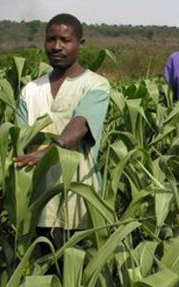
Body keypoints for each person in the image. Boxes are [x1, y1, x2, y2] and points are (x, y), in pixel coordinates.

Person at [13, 14, 110, 246]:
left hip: (79, 202)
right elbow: (17, 145)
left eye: (65, 40)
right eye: (51, 39)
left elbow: (80, 126)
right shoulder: (30, 90)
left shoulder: (95, 85)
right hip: (36, 202)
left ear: (80, 44)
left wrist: (47, 152)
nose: (56, 47)